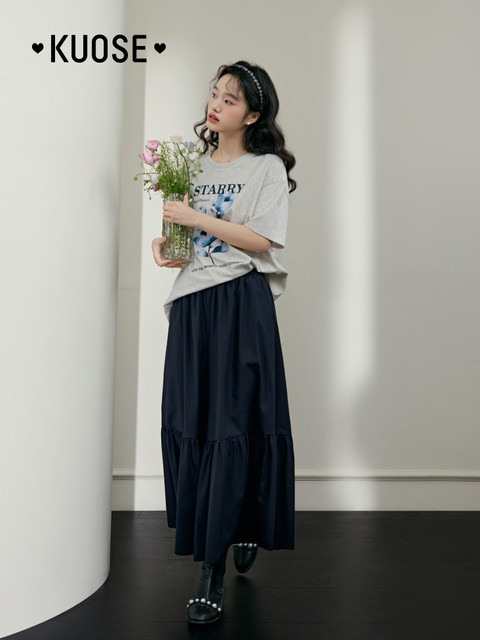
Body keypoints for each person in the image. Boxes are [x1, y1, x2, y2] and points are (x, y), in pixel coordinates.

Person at [151, 59, 297, 626]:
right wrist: (166, 247)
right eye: (215, 94)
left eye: (230, 99)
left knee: (235, 424)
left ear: (252, 115)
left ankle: (213, 565)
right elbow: (183, 243)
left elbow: (261, 239)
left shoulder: (265, 169)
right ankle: (222, 534)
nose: (215, 105)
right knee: (196, 422)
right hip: (194, 306)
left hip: (240, 305)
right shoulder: (188, 164)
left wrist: (195, 218)